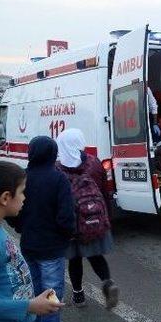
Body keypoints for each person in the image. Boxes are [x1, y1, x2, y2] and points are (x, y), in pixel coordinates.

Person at [0, 161, 65, 322]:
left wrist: (33, 302)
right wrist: (29, 306)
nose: (24, 198)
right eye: (22, 192)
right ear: (5, 197)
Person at [11, 136, 75, 322]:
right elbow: (66, 218)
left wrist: (20, 227)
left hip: (28, 246)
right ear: (53, 154)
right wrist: (65, 236)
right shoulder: (58, 179)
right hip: (52, 250)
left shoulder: (21, 177)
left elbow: (11, 210)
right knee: (50, 301)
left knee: (34, 297)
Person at [56, 129, 119, 310]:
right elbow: (105, 191)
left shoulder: (58, 168)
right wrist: (108, 218)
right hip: (94, 219)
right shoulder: (94, 162)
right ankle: (108, 283)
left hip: (73, 224)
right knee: (95, 255)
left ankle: (78, 296)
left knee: (74, 260)